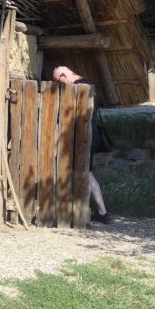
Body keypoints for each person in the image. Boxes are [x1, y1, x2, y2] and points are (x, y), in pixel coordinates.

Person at [52, 65, 114, 225]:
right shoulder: (88, 84)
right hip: (93, 134)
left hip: (87, 136)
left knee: (83, 174)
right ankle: (102, 213)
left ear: (64, 76)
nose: (59, 85)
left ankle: (83, 215)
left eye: (58, 81)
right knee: (87, 173)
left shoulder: (80, 87)